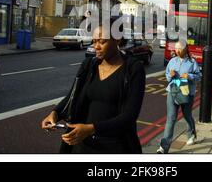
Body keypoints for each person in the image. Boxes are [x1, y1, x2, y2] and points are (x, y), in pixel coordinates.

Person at [41, 18, 146, 153]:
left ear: (117, 40)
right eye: (94, 41)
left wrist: (92, 128)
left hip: (114, 146)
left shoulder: (133, 69)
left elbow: (130, 116)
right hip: (81, 143)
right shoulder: (88, 65)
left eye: (102, 42)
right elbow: (73, 96)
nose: (96, 46)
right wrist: (55, 113)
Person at [157, 40, 201, 154]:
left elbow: (199, 76)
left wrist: (190, 76)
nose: (177, 51)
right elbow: (167, 77)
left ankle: (191, 134)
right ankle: (164, 147)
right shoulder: (172, 61)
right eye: (176, 49)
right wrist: (170, 75)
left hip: (186, 93)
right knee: (171, 118)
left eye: (179, 49)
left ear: (185, 49)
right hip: (172, 92)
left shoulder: (192, 62)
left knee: (187, 115)